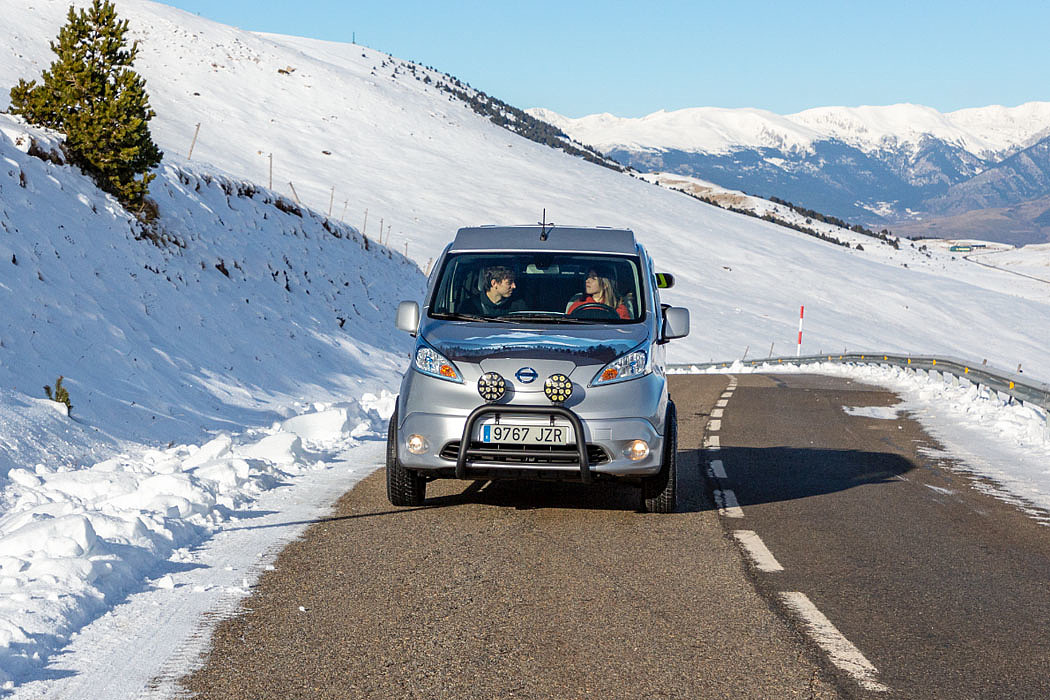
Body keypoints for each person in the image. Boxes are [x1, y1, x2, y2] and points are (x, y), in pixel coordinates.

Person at [462, 265, 526, 316]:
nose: (514, 286)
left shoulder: (518, 305)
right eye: (509, 283)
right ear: (494, 283)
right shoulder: (469, 306)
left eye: (514, 282)